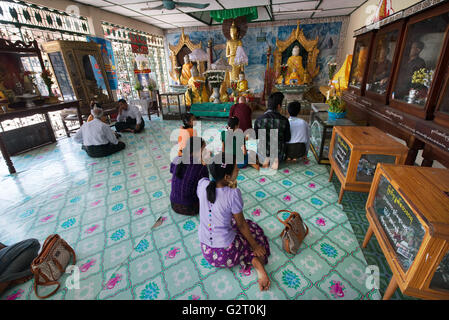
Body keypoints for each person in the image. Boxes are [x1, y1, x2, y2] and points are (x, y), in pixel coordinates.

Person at [197, 156, 271, 291]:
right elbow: (242, 224)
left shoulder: (202, 184)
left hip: (207, 252)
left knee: (229, 222)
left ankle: (249, 257)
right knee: (252, 230)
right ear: (227, 177)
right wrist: (255, 245)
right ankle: (254, 261)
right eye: (236, 169)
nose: (238, 170)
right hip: (226, 254)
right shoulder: (233, 194)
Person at [170, 137, 209, 216]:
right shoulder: (201, 167)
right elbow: (206, 188)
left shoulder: (176, 159)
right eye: (203, 149)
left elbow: (172, 171)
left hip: (174, 204)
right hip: (191, 207)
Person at [254, 92, 291, 169]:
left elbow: (256, 137)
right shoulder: (284, 120)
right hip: (279, 153)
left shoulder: (259, 120)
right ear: (278, 106)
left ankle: (265, 160)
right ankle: (274, 160)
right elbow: (287, 138)